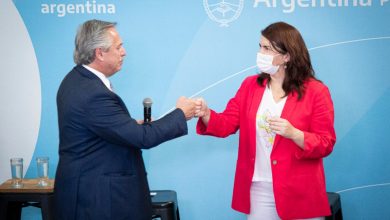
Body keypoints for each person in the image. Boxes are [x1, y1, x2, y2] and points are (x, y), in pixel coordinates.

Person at [54, 19, 196, 220]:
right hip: (98, 200)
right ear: (99, 53)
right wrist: (182, 113)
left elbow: (102, 130)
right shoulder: (92, 93)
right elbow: (142, 138)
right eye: (118, 47)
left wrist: (128, 125)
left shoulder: (78, 80)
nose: (124, 52)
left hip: (91, 192)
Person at [195, 22, 336, 220]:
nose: (260, 53)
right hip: (259, 189)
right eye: (260, 46)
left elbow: (325, 143)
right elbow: (227, 123)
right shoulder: (250, 86)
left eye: (267, 48)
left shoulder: (317, 92)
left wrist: (295, 134)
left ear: (286, 56)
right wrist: (206, 114)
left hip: (300, 191)